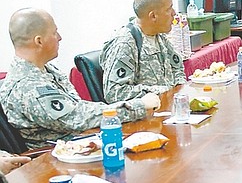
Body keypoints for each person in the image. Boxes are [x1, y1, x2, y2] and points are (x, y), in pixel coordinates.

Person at [0, 8, 160, 149]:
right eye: (55, 33)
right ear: (39, 41)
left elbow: (80, 108)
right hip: (58, 162)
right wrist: (139, 106)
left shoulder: (45, 69)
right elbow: (78, 116)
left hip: (85, 145)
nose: (60, 37)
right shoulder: (27, 85)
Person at [100, 0, 186, 103]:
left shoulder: (159, 36)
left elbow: (177, 69)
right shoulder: (125, 44)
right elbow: (115, 92)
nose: (174, 13)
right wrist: (160, 92)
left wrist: (179, 92)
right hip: (145, 116)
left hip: (169, 109)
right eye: (169, 9)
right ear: (153, 16)